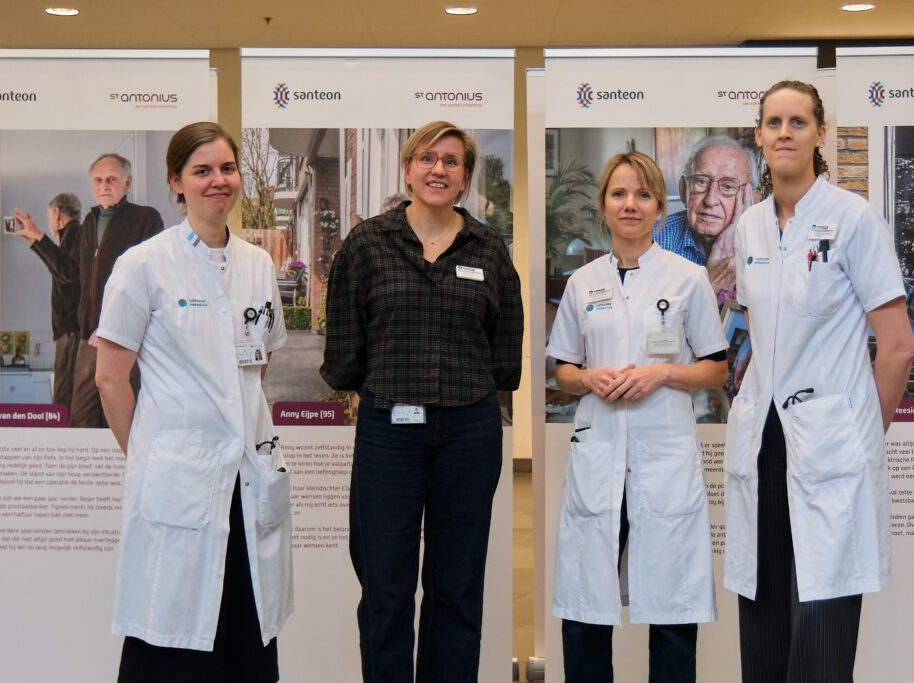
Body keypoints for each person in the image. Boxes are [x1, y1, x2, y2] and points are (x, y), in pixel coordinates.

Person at [724, 80, 914, 682]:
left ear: (819, 135)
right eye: (774, 122)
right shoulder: (750, 226)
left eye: (798, 122)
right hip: (764, 445)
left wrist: (860, 432)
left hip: (830, 444)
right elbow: (760, 330)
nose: (785, 132)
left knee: (821, 628)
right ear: (758, 134)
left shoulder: (854, 219)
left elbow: (899, 346)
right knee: (764, 617)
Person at [321, 120, 523, 682]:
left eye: (452, 161)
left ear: (464, 177)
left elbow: (507, 348)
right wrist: (389, 388)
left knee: (456, 588)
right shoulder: (367, 244)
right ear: (408, 168)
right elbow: (343, 353)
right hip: (390, 435)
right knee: (385, 588)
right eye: (428, 158)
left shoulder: (488, 247)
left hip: (468, 434)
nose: (439, 169)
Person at [95, 122, 293, 683]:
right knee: (173, 634)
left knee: (246, 635)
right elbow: (110, 378)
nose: (218, 181)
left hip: (248, 476)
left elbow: (261, 360)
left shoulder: (258, 264)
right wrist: (152, 456)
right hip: (181, 482)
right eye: (202, 170)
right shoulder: (143, 264)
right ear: (175, 182)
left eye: (226, 168)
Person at [548, 151, 728, 683]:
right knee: (586, 602)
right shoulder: (583, 283)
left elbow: (716, 369)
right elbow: (563, 371)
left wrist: (661, 375)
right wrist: (590, 380)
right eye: (620, 194)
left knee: (671, 602)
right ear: (604, 205)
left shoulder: (688, 278)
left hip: (663, 455)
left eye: (643, 194)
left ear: (658, 207)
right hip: (599, 452)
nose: (631, 204)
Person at [72, 153, 164, 427]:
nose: (104, 185)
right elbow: (73, 274)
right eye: (98, 180)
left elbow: (154, 281)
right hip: (90, 340)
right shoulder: (89, 222)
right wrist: (38, 239)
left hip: (128, 342)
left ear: (128, 182)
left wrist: (114, 325)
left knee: (128, 420)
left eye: (112, 179)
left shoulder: (145, 218)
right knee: (81, 421)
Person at [653, 136, 760, 303]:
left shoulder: (770, 249)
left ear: (753, 200)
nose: (710, 200)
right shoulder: (653, 240)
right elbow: (641, 323)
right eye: (701, 182)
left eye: (728, 186)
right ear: (683, 190)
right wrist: (709, 286)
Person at [9, 193, 83, 407]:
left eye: (48, 216)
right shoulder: (71, 236)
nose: (49, 221)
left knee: (63, 397)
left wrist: (39, 237)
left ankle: (65, 441)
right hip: (67, 330)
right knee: (63, 395)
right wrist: (35, 241)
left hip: (71, 331)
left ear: (56, 212)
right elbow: (61, 272)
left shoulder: (75, 232)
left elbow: (68, 272)